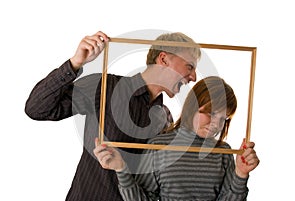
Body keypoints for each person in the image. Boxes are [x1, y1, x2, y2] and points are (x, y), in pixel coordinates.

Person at [25, 31, 201, 201]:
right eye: (190, 66)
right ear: (163, 59)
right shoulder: (105, 87)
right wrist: (75, 63)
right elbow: (37, 109)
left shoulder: (165, 119)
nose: (193, 77)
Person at [94, 76, 260, 201]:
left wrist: (241, 174)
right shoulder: (159, 146)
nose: (216, 124)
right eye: (211, 113)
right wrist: (121, 169)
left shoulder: (223, 152)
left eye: (224, 118)